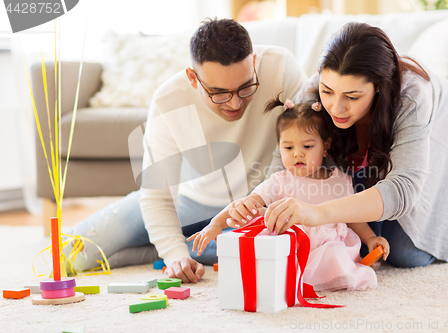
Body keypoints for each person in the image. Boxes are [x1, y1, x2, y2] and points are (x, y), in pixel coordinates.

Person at [65, 18, 307, 282]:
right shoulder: (169, 101)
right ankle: (175, 247)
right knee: (74, 254)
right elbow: (157, 197)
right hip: (189, 202)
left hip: (254, 206)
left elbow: (308, 145)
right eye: (219, 93)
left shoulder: (281, 68)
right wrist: (175, 256)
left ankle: (152, 252)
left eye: (245, 87)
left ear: (254, 61)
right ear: (193, 78)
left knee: (265, 249)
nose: (235, 103)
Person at [225, 22, 448, 268]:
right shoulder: (314, 92)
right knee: (351, 236)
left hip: (440, 132)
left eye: (352, 97)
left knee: (404, 254)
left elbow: (403, 190)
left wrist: (319, 213)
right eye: (328, 91)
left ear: (379, 87)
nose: (336, 107)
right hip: (362, 170)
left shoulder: (412, 97)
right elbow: (283, 166)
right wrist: (259, 202)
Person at [188, 96, 390, 291]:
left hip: (330, 247)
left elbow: (353, 218)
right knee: (249, 249)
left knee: (337, 258)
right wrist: (216, 223)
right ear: (280, 148)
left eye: (308, 146)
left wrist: (371, 238)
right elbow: (244, 204)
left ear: (325, 146)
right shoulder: (280, 181)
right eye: (288, 147)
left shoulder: (340, 180)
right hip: (289, 247)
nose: (297, 153)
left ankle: (328, 276)